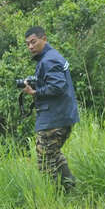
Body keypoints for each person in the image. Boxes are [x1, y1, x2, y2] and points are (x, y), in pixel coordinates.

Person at [22, 26, 80, 190]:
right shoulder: (51, 57)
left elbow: (57, 86)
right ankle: (70, 189)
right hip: (61, 115)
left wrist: (35, 92)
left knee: (45, 161)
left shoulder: (49, 60)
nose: (30, 47)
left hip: (54, 118)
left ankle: (52, 198)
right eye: (27, 44)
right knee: (53, 154)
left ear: (44, 39)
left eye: (33, 42)